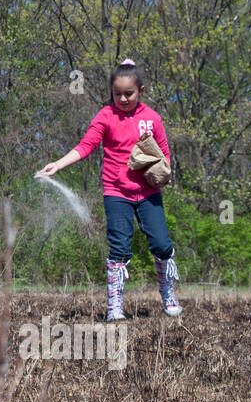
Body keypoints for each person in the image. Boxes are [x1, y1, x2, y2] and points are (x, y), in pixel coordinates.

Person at [39, 58, 181, 320]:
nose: (123, 99)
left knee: (161, 244)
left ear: (141, 91)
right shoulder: (106, 116)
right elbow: (85, 146)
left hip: (148, 193)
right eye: (117, 94)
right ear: (111, 93)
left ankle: (167, 291)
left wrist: (162, 172)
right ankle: (115, 305)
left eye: (129, 94)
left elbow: (164, 152)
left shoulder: (152, 118)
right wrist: (58, 165)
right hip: (116, 192)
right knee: (119, 247)